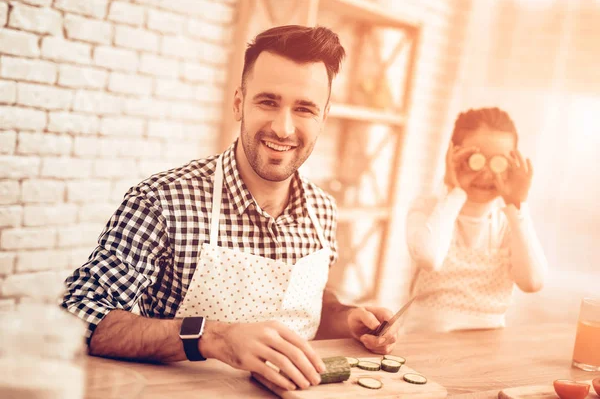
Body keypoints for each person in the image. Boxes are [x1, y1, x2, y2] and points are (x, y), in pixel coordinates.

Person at [61, 25, 399, 392]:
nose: (284, 129)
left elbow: (309, 302)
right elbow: (77, 316)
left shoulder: (323, 209)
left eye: (304, 108)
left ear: (324, 116)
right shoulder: (162, 201)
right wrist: (212, 338)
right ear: (239, 101)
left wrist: (346, 318)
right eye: (268, 101)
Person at [402, 107, 548, 333]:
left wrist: (517, 206)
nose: (487, 173)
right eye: (475, 159)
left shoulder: (509, 220)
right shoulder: (429, 208)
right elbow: (429, 258)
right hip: (426, 344)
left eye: (499, 162)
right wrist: (455, 192)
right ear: (453, 156)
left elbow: (532, 282)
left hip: (486, 350)